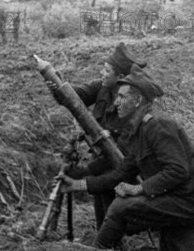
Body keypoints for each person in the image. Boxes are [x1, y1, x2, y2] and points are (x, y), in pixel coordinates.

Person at [58, 65, 194, 251]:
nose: (116, 103)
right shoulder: (135, 130)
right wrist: (77, 184)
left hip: (191, 201)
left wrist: (138, 189)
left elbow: (177, 171)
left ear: (138, 100)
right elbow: (121, 173)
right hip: (179, 200)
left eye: (122, 97)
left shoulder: (157, 124)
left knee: (121, 207)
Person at [46, 42, 147, 230]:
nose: (102, 73)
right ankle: (104, 236)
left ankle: (113, 239)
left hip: (121, 163)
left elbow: (121, 149)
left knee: (111, 199)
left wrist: (86, 170)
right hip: (102, 157)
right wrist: (57, 86)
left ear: (121, 77)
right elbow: (74, 96)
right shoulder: (101, 87)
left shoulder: (130, 102)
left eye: (107, 70)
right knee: (101, 202)